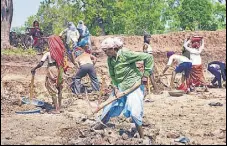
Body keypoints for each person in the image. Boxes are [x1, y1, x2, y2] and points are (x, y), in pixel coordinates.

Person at [94, 37, 154, 139]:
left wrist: (145, 75)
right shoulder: (110, 59)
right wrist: (116, 88)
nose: (105, 53)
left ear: (113, 49)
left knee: (135, 113)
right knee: (107, 108)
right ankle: (98, 128)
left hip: (134, 86)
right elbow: (113, 75)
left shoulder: (126, 54)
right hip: (121, 88)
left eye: (106, 51)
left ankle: (142, 137)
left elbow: (148, 58)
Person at [31, 35, 66, 114]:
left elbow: (41, 63)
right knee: (59, 88)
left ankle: (56, 109)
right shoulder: (61, 52)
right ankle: (60, 107)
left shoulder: (48, 53)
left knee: (51, 88)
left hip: (51, 70)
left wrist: (34, 68)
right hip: (59, 70)